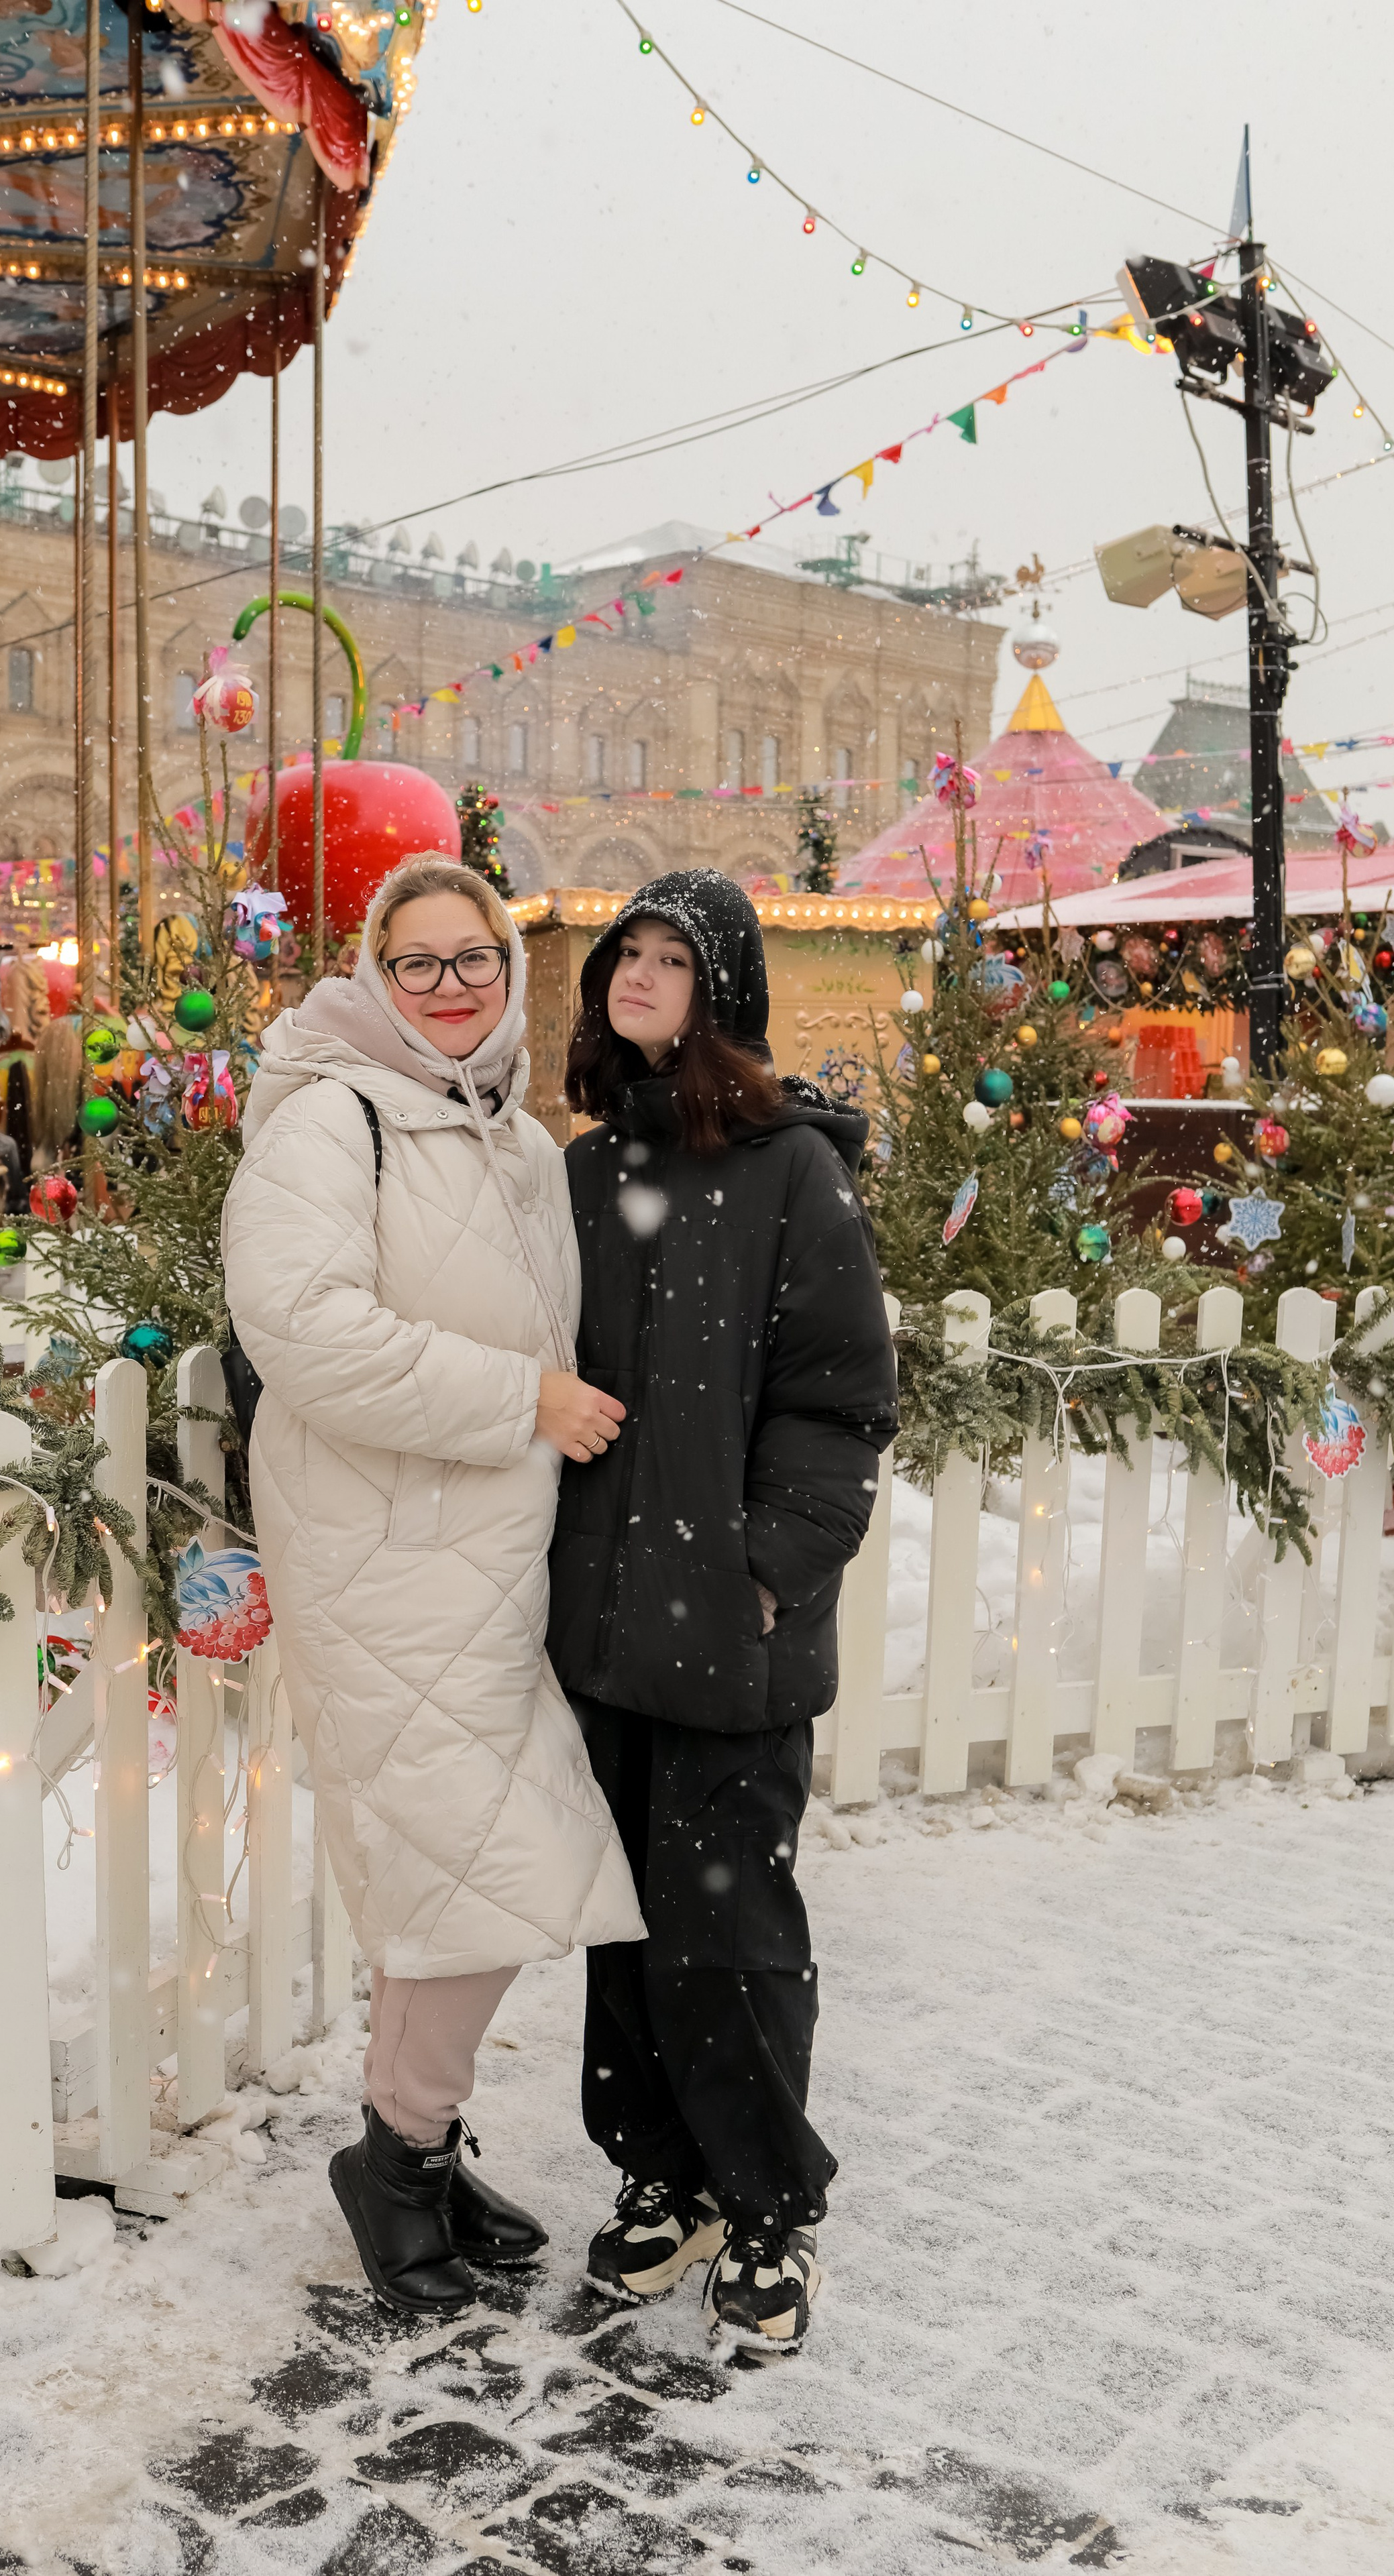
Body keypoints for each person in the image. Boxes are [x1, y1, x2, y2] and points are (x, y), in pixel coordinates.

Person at [222, 855, 643, 2321]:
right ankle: (397, 2161)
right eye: (420, 962)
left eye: (476, 959)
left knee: (463, 1872)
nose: (451, 985)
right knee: (481, 1865)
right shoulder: (332, 1116)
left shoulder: (512, 1135)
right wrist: (519, 1398)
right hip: (379, 1541)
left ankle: (409, 2146)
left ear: (509, 973)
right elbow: (302, 1326)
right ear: (374, 973)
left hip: (489, 1546)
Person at [547, 869, 898, 2352]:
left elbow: (839, 1399)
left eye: (668, 957)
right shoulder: (581, 1172)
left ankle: (768, 2204)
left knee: (729, 1930)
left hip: (733, 1633)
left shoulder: (789, 1172)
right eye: (621, 953)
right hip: (600, 1627)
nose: (633, 973)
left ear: (725, 990)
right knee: (621, 1926)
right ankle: (662, 2175)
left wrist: (763, 1570)